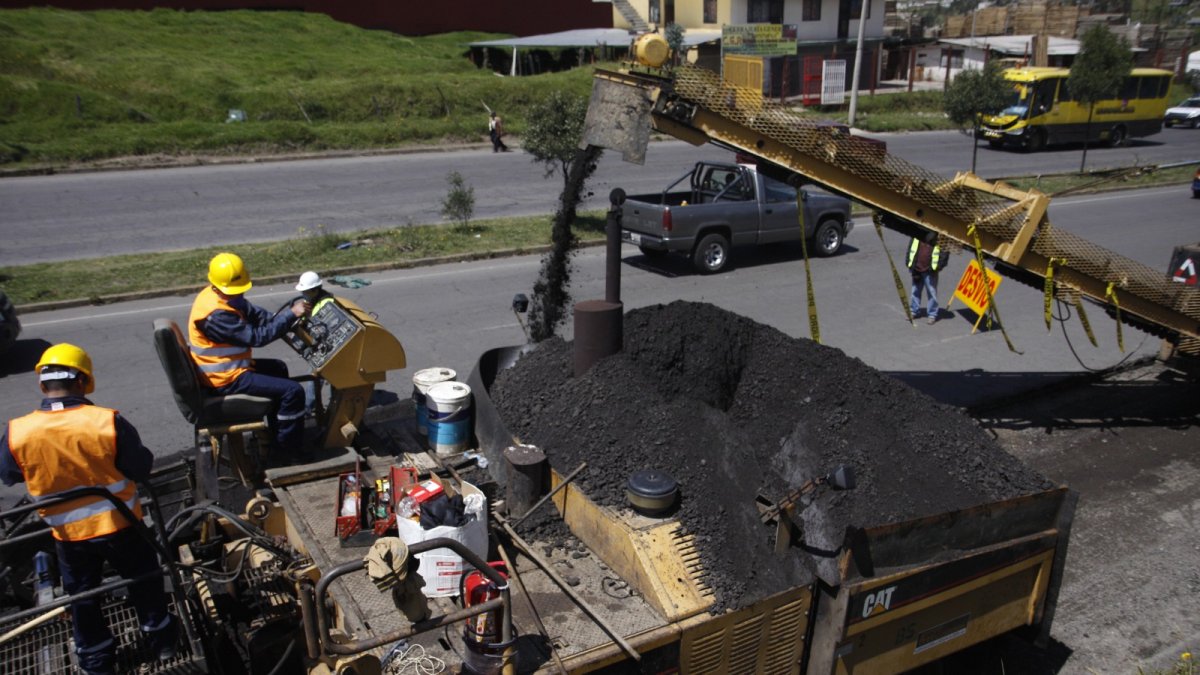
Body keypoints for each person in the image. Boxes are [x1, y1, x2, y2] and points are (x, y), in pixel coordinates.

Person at [1, 344, 177, 675]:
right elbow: (140, 467)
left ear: (43, 385)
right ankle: (162, 641)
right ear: (83, 382)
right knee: (145, 581)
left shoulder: (17, 432)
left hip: (69, 536)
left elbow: (9, 474)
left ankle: (96, 660)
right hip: (121, 525)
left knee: (83, 596)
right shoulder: (107, 422)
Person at [189, 252, 310, 457]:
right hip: (224, 379)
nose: (239, 295)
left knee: (279, 368)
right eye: (235, 292)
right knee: (294, 391)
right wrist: (290, 315)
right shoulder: (216, 315)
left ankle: (277, 434)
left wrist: (278, 318)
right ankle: (289, 452)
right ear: (218, 286)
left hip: (233, 368)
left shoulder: (222, 296)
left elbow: (253, 313)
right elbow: (257, 337)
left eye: (240, 291)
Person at [907, 231, 949, 324]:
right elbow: (911, 248)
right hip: (917, 268)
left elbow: (944, 254)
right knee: (915, 291)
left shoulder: (940, 236)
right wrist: (909, 263)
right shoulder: (917, 232)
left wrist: (938, 266)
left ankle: (932, 315)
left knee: (931, 292)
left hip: (930, 271)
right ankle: (914, 311)